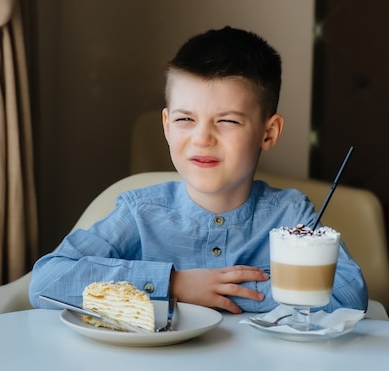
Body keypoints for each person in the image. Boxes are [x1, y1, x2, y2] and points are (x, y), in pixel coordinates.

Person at [29, 26, 368, 314]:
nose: (202, 138)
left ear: (269, 132)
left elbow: (349, 296)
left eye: (228, 121)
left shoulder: (289, 214)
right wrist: (173, 283)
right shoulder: (140, 212)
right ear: (166, 125)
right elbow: (48, 280)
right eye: (185, 119)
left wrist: (222, 290)